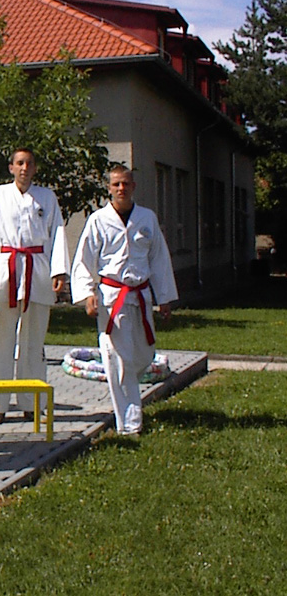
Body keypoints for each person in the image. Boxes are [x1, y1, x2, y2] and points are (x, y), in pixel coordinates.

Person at [70, 165, 177, 436]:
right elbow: (84, 259)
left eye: (126, 183)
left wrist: (164, 297)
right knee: (117, 359)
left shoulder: (147, 218)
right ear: (109, 188)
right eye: (116, 184)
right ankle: (129, 424)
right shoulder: (98, 220)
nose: (121, 188)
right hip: (111, 298)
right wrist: (87, 294)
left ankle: (130, 394)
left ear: (133, 186)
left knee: (143, 355)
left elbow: (159, 259)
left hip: (140, 295)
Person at [0, 148, 69, 425]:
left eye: (29, 163)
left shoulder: (46, 197)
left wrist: (59, 270)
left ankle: (32, 402)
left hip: (37, 268)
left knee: (33, 340)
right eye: (20, 163)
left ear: (35, 168)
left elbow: (57, 231)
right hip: (7, 267)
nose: (24, 168)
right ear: (11, 167)